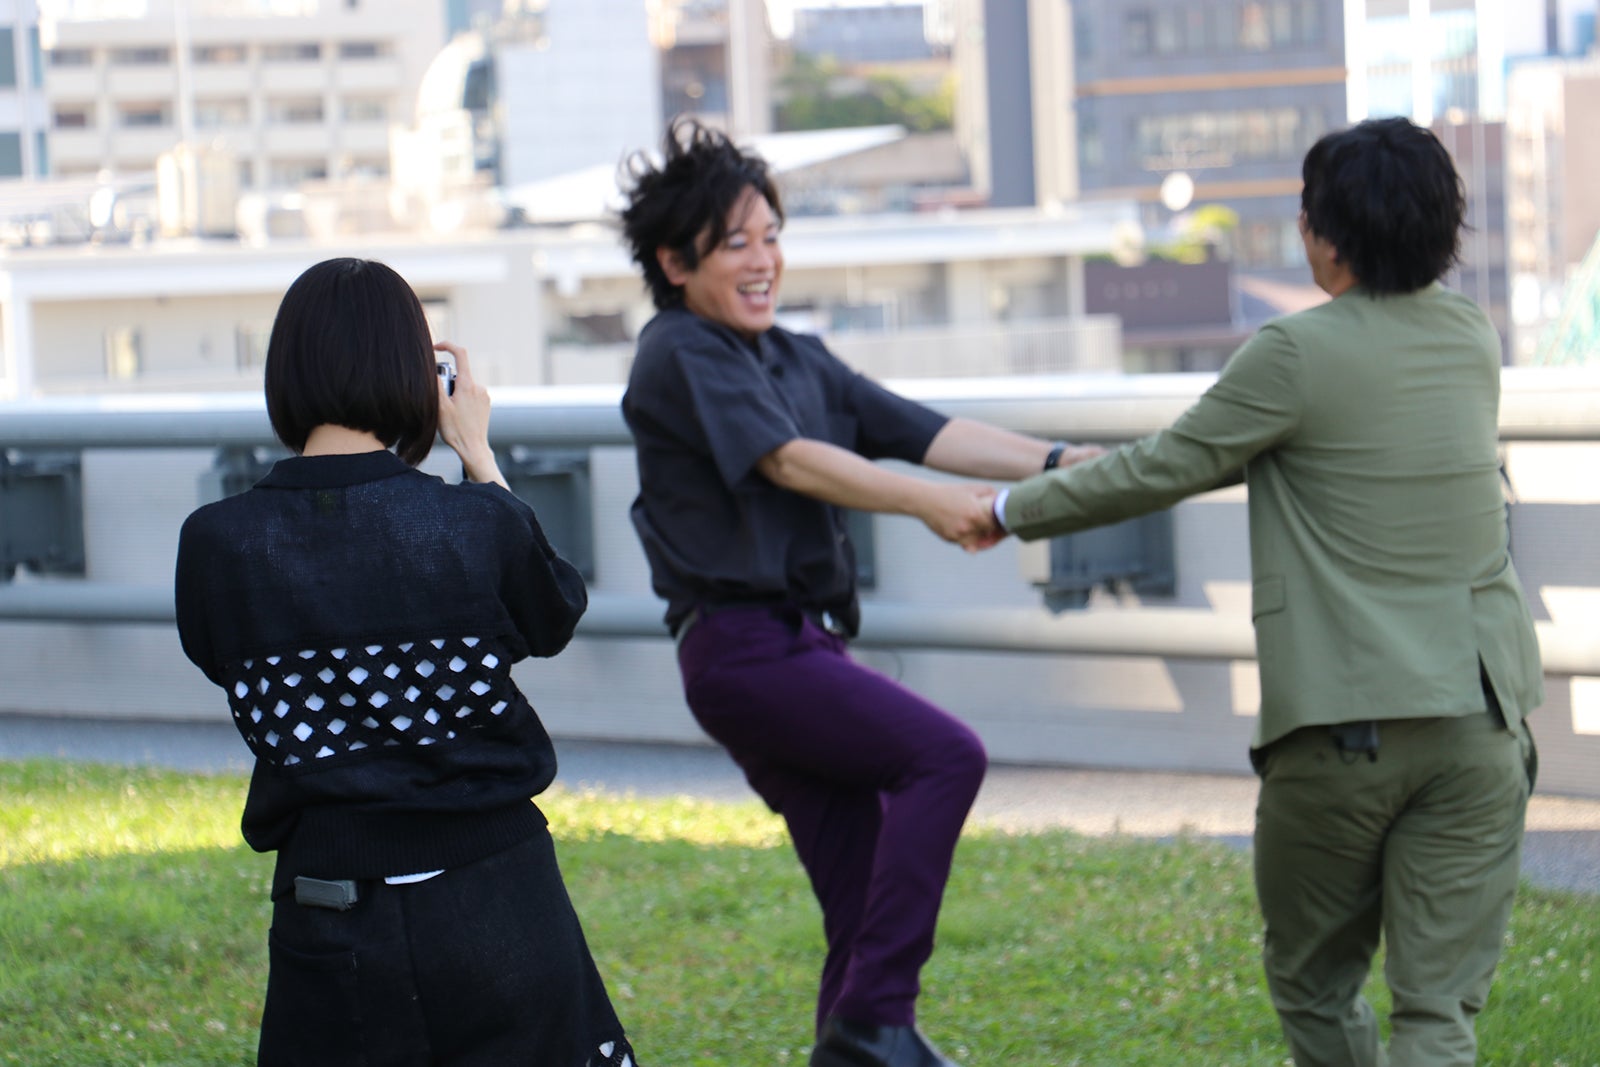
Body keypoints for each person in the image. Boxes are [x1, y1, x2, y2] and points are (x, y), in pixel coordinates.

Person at [988, 117, 1542, 1066]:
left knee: (1314, 983)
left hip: (1346, 730)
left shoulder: (1291, 353)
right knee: (1438, 1011)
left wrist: (1005, 508)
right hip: (1483, 723)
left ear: (1325, 232)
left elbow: (1164, 466)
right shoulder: (1470, 337)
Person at [616, 118, 1098, 1067]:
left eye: (771, 236)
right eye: (735, 244)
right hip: (744, 652)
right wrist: (933, 506)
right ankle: (880, 1020)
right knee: (945, 756)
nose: (763, 262)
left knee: (862, 888)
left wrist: (1058, 464)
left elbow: (919, 428)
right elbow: (791, 461)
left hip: (802, 647)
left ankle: (859, 1037)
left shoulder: (795, 356)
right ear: (675, 261)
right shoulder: (679, 351)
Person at [174, 258, 638, 1067]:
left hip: (330, 902)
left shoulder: (218, 543)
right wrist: (478, 455)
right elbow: (553, 611)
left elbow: (221, 659)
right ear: (418, 374)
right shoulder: (469, 523)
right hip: (502, 895)